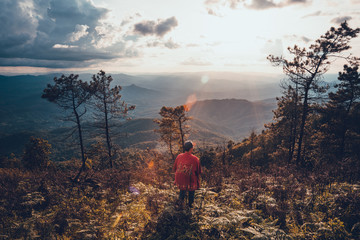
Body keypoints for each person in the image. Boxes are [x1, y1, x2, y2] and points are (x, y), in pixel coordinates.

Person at [173, 141, 201, 208]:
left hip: (179, 180)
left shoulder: (179, 156)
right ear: (191, 148)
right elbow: (199, 172)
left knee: (182, 190)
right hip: (189, 181)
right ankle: (190, 205)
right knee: (191, 188)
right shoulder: (195, 159)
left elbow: (174, 168)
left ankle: (180, 203)